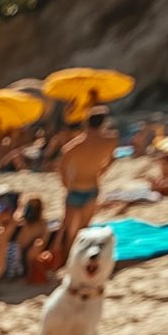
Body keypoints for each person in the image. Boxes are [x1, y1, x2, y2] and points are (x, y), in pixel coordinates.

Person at [57, 107, 118, 263]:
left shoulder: (75, 145)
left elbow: (62, 166)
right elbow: (112, 159)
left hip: (76, 187)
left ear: (86, 123)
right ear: (103, 123)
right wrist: (101, 171)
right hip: (93, 186)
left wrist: (66, 183)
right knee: (84, 227)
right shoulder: (110, 140)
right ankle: (79, 260)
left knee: (68, 229)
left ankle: (65, 260)